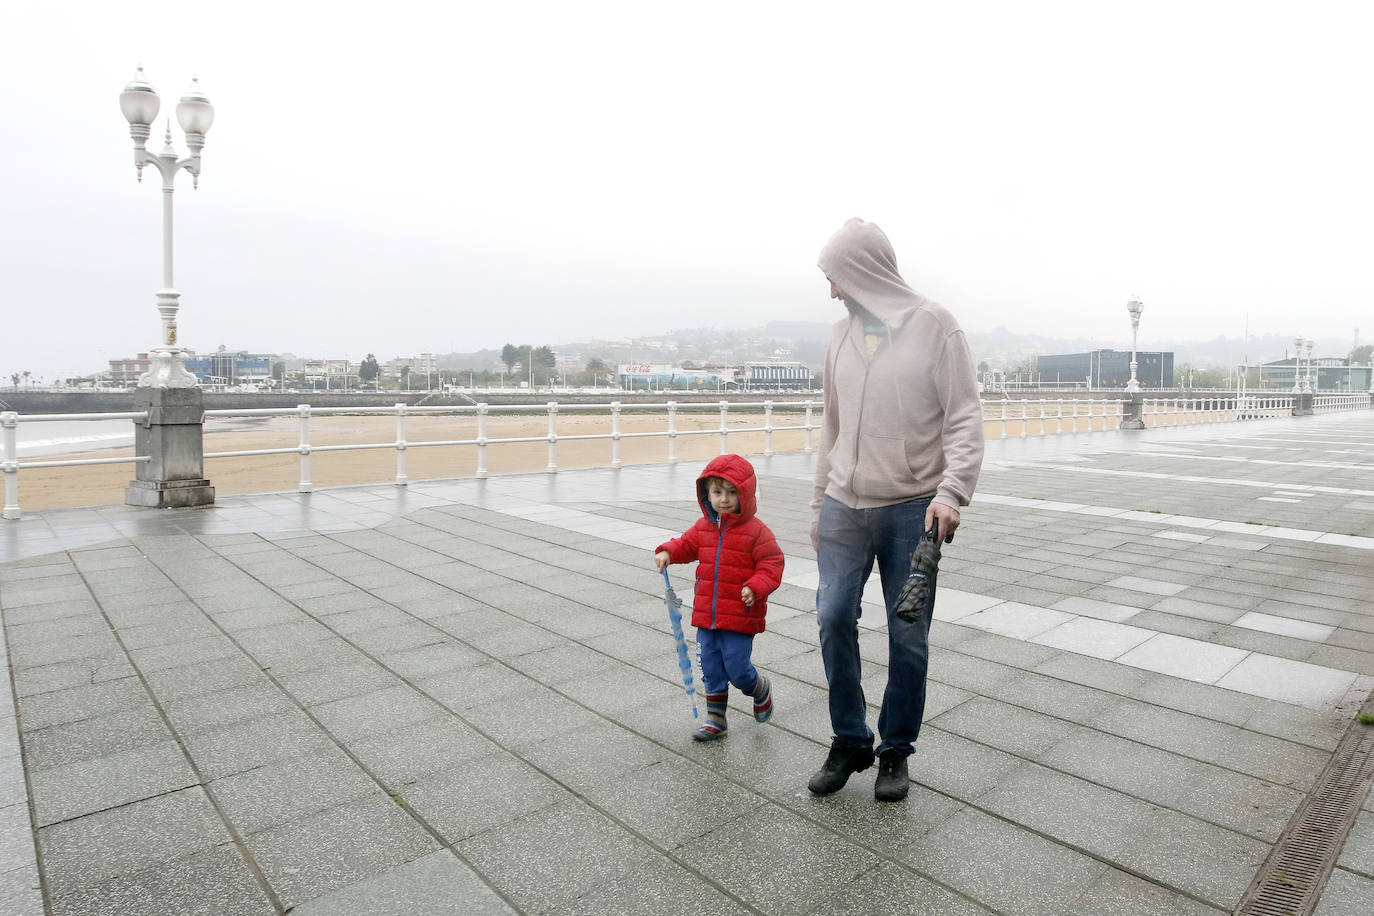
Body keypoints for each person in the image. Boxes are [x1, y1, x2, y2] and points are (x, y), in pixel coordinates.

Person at [807, 217, 984, 801]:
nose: (832, 289)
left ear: (862, 270)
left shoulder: (935, 327)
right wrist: (817, 504)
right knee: (833, 616)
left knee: (907, 633)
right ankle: (850, 739)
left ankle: (894, 751)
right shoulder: (839, 336)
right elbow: (831, 427)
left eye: (835, 276)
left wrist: (952, 492)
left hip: (912, 508)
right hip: (842, 505)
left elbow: (963, 418)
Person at [655, 453, 785, 741]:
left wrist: (755, 586)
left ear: (745, 494)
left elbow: (772, 564)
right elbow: (686, 545)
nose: (723, 499)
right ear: (707, 494)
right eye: (717, 492)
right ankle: (716, 720)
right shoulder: (703, 528)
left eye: (731, 493)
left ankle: (758, 687)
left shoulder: (757, 532)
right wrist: (667, 551)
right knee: (711, 667)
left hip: (740, 615)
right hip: (707, 615)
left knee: (737, 669)